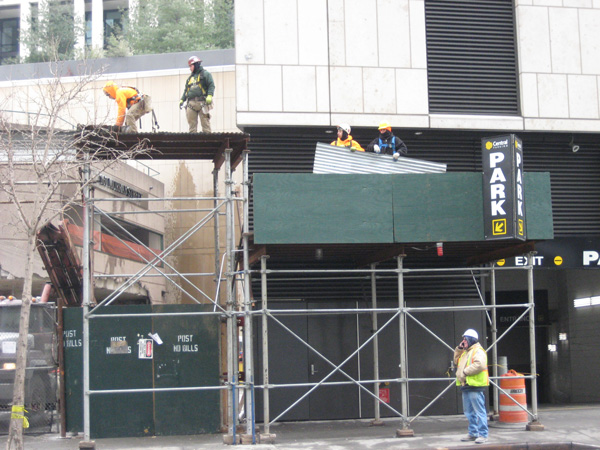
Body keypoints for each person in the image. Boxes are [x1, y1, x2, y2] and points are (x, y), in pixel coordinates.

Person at [454, 328, 489, 444]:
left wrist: (465, 372)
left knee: (479, 411)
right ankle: (473, 433)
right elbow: (456, 360)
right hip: (466, 385)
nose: (463, 341)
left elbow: (480, 364)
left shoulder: (478, 351)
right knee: (469, 412)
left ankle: (483, 434)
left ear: (471, 339)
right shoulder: (466, 352)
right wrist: (459, 348)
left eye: (465, 339)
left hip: (475, 385)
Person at [180, 56, 215, 133]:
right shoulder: (190, 78)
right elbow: (186, 90)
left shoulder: (206, 74)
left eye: (191, 66)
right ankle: (193, 143)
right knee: (192, 127)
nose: (190, 68)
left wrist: (209, 95)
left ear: (196, 65)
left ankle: (208, 142)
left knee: (206, 124)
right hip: (191, 104)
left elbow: (211, 85)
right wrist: (182, 99)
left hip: (202, 102)